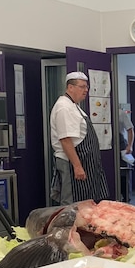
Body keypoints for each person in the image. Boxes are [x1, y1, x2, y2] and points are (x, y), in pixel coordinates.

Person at [49, 71, 109, 204]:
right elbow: (65, 140)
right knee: (71, 204)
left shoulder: (74, 106)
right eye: (82, 87)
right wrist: (77, 166)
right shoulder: (64, 107)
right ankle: (68, 226)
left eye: (86, 87)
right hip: (71, 163)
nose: (86, 90)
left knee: (85, 203)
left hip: (85, 162)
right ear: (70, 87)